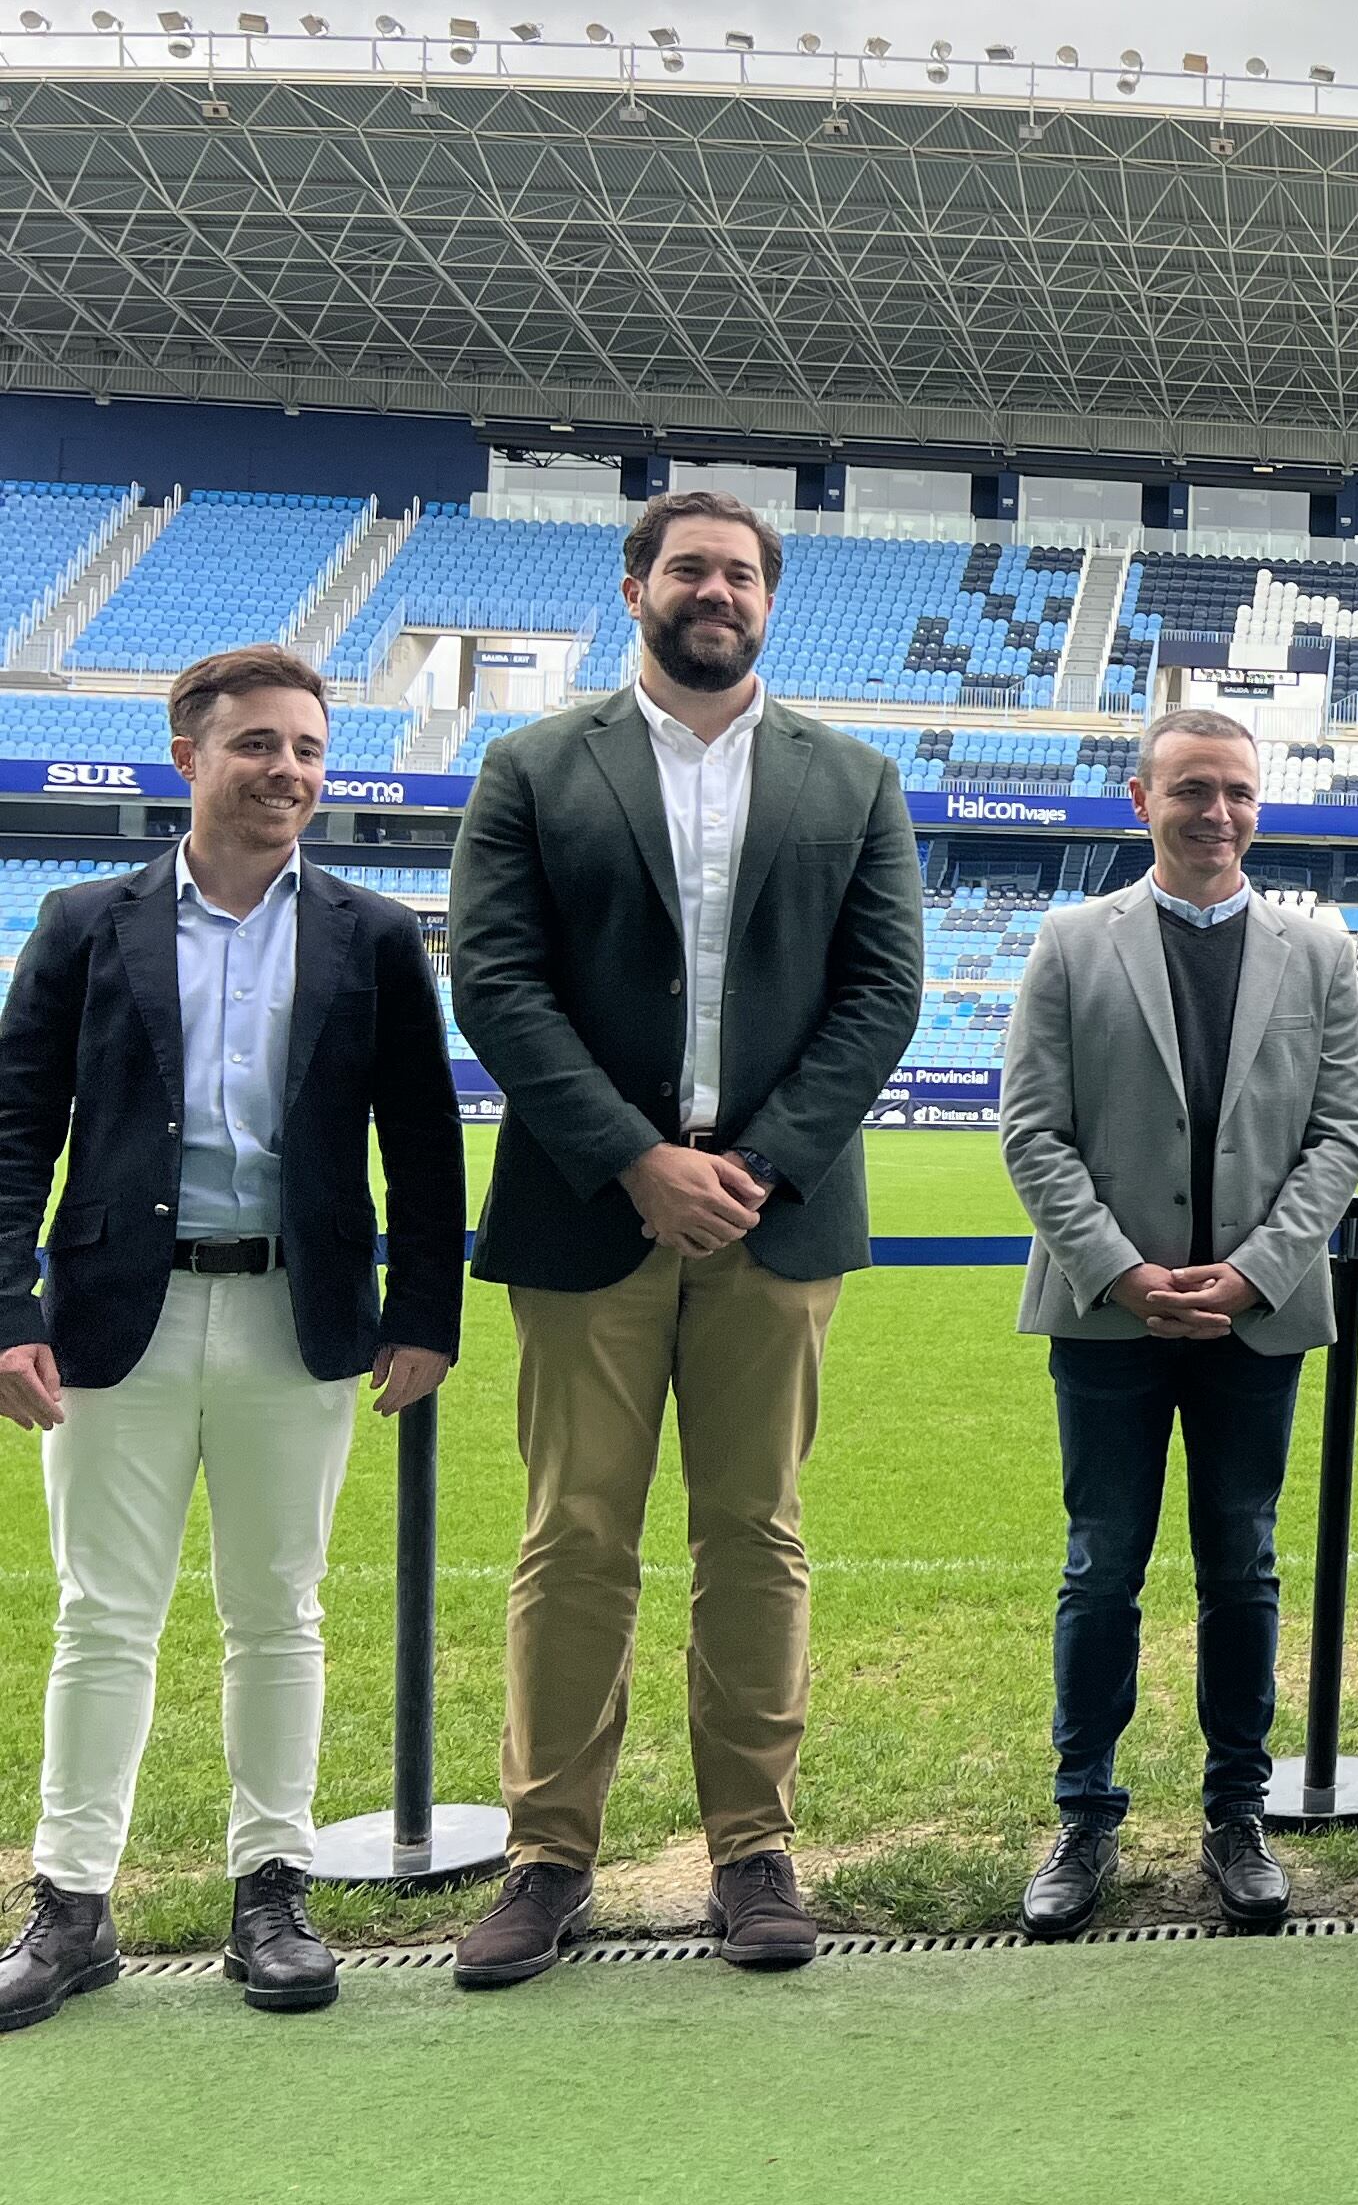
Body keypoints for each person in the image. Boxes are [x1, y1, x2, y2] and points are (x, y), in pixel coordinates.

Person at [443, 492, 924, 1988]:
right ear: (636, 585)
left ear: (770, 602)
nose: (714, 591)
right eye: (689, 568)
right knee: (576, 1535)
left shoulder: (851, 776)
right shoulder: (532, 766)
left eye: (740, 573)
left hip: (774, 1229)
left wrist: (759, 1166)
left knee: (755, 1536)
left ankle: (752, 1850)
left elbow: (883, 996)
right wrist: (636, 1159)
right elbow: (499, 983)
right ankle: (549, 1854)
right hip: (590, 1213)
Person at [0, 649, 463, 2035]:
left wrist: (424, 1314)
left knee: (280, 1613)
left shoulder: (376, 935)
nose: (289, 771)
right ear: (187, 757)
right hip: (112, 1321)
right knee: (104, 1615)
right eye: (258, 744)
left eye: (309, 748)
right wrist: (4, 1311)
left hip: (296, 1317)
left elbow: (424, 1149)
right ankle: (70, 1905)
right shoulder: (85, 921)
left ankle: (272, 1888)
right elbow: (16, 1130)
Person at [998, 711, 1358, 1942]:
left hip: (1253, 1324)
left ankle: (1236, 1813)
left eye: (1239, 792)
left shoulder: (1317, 950)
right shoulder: (1067, 942)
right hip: (1110, 1320)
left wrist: (1258, 1273)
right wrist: (1120, 1270)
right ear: (1140, 799)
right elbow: (1033, 1132)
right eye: (1192, 790)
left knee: (1242, 1566)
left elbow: (1338, 1138)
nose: (1217, 813)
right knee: (1101, 1566)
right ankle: (1085, 1813)